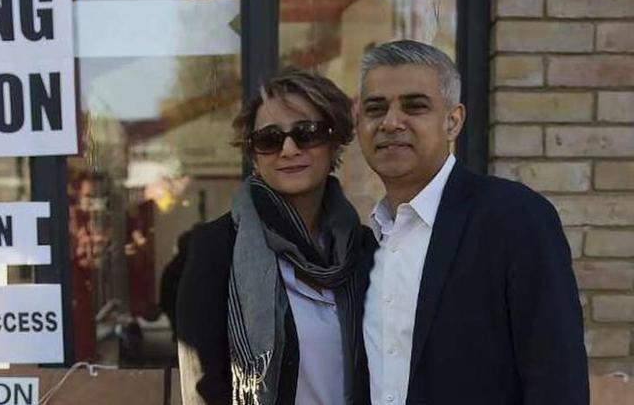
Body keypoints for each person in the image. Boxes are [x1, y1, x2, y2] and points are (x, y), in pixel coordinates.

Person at [356, 40, 588, 405]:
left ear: (453, 121)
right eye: (376, 108)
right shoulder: (367, 242)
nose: (391, 122)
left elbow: (556, 378)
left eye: (415, 106)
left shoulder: (515, 218)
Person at [177, 68, 374, 405]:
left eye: (307, 133)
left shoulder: (363, 248)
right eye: (269, 139)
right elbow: (203, 386)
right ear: (254, 156)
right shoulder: (217, 248)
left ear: (334, 142)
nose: (288, 149)